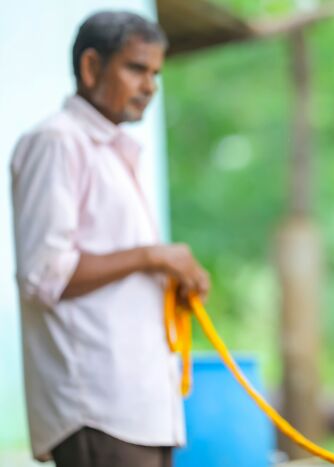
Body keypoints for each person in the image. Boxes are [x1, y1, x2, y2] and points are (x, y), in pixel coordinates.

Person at [10, 11, 209, 467]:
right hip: (97, 409)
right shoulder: (57, 142)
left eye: (156, 73)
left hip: (140, 409)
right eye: (136, 68)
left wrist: (165, 271)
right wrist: (153, 257)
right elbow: (44, 276)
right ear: (91, 67)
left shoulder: (114, 152)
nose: (150, 86)